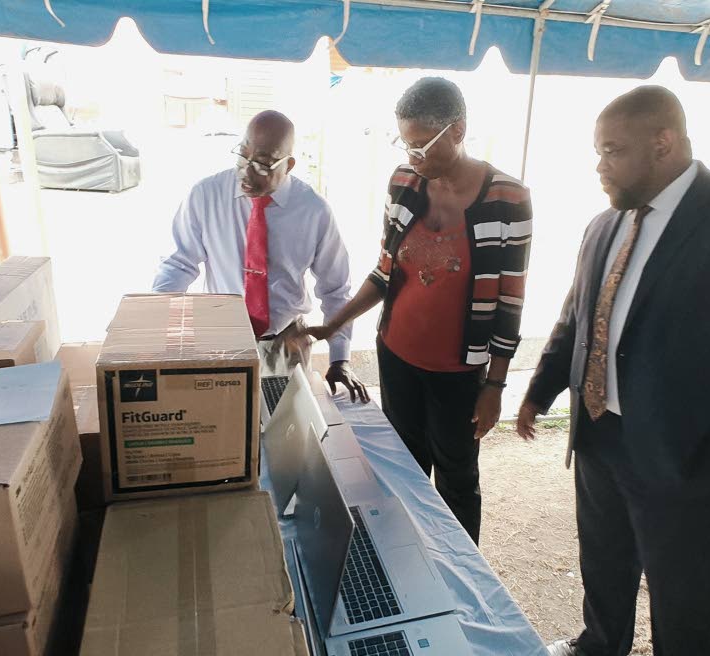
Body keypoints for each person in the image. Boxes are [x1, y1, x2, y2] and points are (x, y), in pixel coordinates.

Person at [517, 86, 710, 656]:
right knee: (605, 565)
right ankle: (599, 644)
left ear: (662, 142)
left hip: (688, 454)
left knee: (682, 600)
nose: (599, 165)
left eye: (612, 151)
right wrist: (540, 389)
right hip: (600, 437)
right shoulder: (602, 226)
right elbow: (579, 314)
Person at [309, 77, 532, 545]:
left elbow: (510, 301)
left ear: (457, 130)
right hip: (396, 355)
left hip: (458, 370)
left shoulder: (507, 199)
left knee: (456, 477)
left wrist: (494, 385)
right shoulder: (405, 182)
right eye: (405, 144)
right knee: (403, 464)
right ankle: (412, 558)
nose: (412, 157)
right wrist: (332, 324)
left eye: (421, 145)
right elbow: (385, 272)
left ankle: (460, 569)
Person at [152, 110, 369, 400]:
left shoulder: (313, 211)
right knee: (225, 431)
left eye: (264, 164)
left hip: (286, 345)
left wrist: (339, 356)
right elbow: (180, 263)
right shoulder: (206, 195)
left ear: (288, 165)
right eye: (243, 156)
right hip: (223, 343)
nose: (247, 172)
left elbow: (335, 289)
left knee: (286, 435)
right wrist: (152, 324)